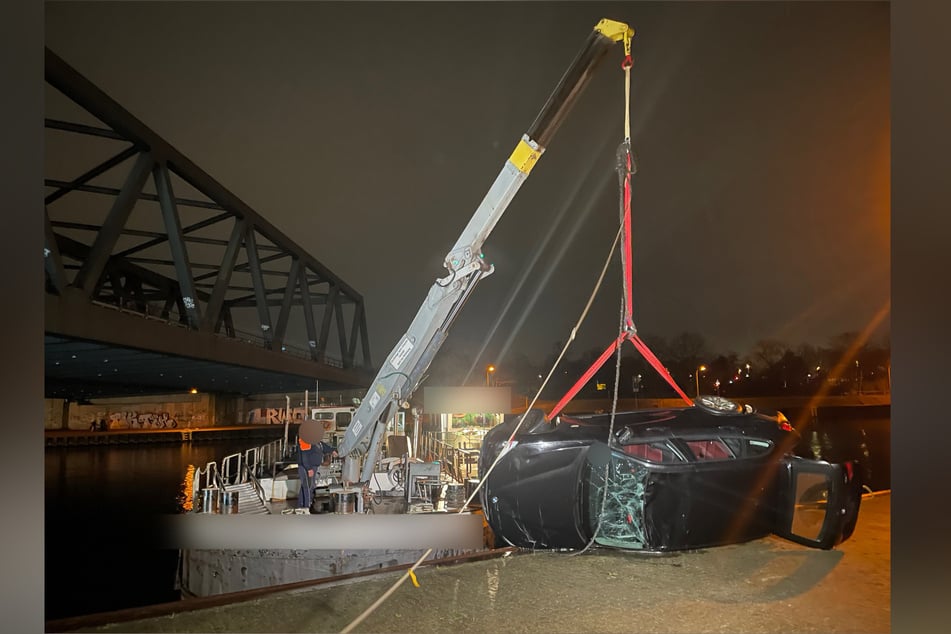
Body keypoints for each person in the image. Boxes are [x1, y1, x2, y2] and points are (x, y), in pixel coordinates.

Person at [297, 435, 336, 511]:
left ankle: (301, 506)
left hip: (313, 467)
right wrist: (309, 468)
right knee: (308, 487)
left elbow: (323, 446)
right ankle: (306, 507)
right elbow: (304, 456)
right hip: (306, 468)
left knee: (307, 486)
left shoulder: (317, 442)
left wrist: (332, 451)